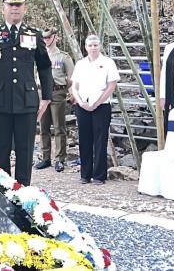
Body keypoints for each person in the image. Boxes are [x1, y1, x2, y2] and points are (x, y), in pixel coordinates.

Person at [0, 0, 52, 186]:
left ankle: (23, 196)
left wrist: (46, 98)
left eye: (19, 5)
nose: (15, 8)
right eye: (11, 5)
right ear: (3, 8)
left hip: (27, 102)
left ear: (25, 8)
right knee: (0, 153)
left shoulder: (34, 35)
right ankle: (2, 194)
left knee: (25, 152)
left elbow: (44, 67)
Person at [71, 35, 120, 184]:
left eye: (95, 45)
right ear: (85, 47)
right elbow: (74, 86)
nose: (93, 48)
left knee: (100, 140)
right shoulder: (80, 64)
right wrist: (79, 101)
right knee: (84, 140)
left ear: (100, 46)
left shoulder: (108, 63)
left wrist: (97, 103)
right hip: (83, 105)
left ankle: (99, 175)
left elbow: (111, 86)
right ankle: (85, 174)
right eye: (90, 45)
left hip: (101, 106)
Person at [35, 28, 74, 173]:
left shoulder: (63, 57)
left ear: (55, 38)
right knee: (43, 127)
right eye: (44, 38)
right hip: (41, 93)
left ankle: (60, 159)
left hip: (57, 92)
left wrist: (65, 91)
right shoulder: (38, 55)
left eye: (48, 37)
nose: (46, 40)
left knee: (59, 127)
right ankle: (46, 158)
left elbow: (71, 77)